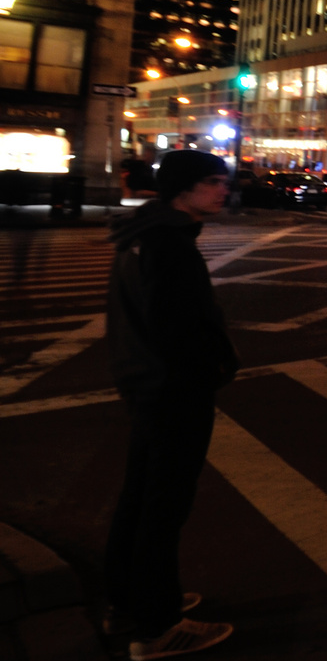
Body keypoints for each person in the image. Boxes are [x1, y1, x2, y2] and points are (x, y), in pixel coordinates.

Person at [103, 150, 238, 658]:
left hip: (144, 386)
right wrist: (213, 368)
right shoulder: (170, 246)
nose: (222, 190)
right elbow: (177, 330)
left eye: (222, 182)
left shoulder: (143, 234)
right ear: (182, 190)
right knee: (163, 510)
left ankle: (127, 600)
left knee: (139, 500)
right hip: (172, 393)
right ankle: (157, 627)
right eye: (211, 182)